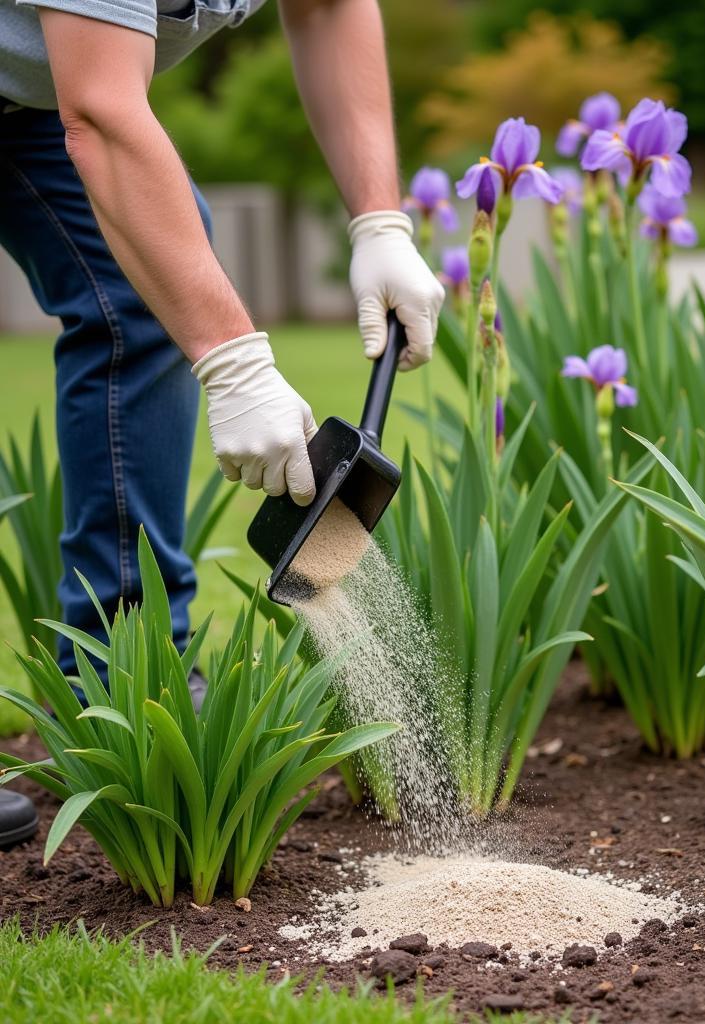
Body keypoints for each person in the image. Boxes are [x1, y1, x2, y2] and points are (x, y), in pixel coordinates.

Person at [0, 0, 444, 849]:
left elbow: (328, 9)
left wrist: (378, 219)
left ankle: (126, 684)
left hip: (25, 93)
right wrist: (233, 358)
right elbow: (99, 106)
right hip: (66, 88)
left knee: (143, 289)